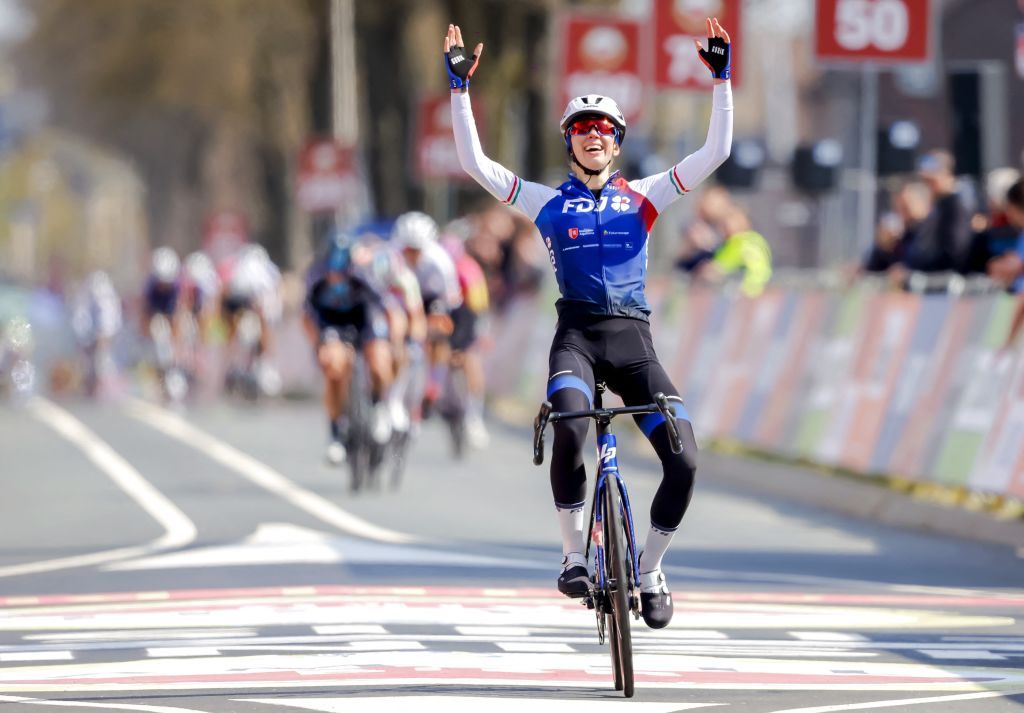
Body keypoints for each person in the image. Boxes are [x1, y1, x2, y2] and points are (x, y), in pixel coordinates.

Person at [445, 18, 733, 628]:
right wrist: (459, 90)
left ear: (618, 141)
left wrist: (722, 80)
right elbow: (475, 163)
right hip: (575, 338)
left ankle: (651, 568)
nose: (593, 136)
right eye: (581, 129)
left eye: (603, 128)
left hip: (633, 343)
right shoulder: (547, 202)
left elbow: (716, 153)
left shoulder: (646, 196)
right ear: (569, 142)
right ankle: (575, 554)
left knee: (684, 460)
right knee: (572, 426)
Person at [304, 234, 394, 465]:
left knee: (379, 362)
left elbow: (387, 309)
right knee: (334, 367)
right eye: (332, 273)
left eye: (341, 273)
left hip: (364, 321)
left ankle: (379, 404)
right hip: (332, 324)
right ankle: (336, 432)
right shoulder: (315, 279)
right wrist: (318, 346)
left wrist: (392, 339)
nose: (336, 278)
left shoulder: (363, 277)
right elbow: (307, 318)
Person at [391, 211, 463, 417]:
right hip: (405, 296)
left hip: (433, 298)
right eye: (408, 250)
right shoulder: (393, 255)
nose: (412, 255)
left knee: (439, 329)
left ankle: (434, 384)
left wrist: (432, 323)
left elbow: (451, 299)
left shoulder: (440, 261)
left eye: (417, 250)